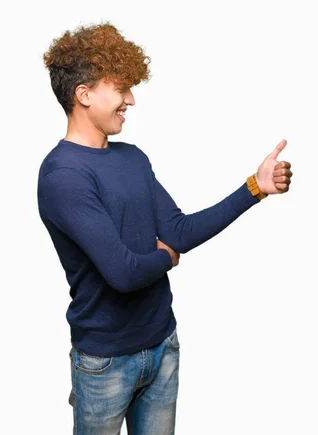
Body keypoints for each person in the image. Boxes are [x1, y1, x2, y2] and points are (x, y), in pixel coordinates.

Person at [37, 21, 293, 434]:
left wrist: (254, 188)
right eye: (120, 89)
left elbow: (179, 230)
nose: (131, 100)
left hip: (162, 346)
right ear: (83, 95)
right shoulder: (63, 175)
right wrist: (166, 257)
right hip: (105, 363)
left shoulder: (133, 158)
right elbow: (122, 273)